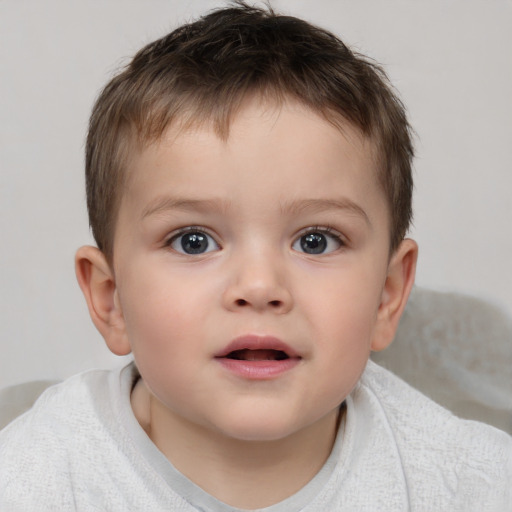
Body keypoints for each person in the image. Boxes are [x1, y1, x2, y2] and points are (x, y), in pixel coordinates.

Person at [0, 2, 510, 510]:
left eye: (316, 240)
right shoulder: (35, 480)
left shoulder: (468, 484)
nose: (260, 286)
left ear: (387, 295)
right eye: (193, 241)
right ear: (111, 301)